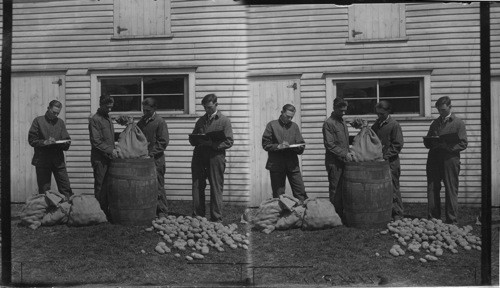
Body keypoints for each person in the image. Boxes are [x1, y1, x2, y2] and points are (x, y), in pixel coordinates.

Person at [189, 94, 234, 222]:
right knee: (197, 185)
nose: (207, 110)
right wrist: (195, 139)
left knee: (215, 187)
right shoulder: (201, 120)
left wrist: (212, 144)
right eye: (205, 108)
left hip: (215, 157)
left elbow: (229, 141)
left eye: (209, 107)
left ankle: (216, 218)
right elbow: (194, 137)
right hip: (199, 156)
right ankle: (198, 216)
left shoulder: (224, 120)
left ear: (216, 104)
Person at [424, 96, 467, 224]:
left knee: (451, 189)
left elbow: (463, 143)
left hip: (450, 160)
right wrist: (430, 141)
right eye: (439, 110)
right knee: (432, 188)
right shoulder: (435, 123)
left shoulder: (458, 123)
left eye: (443, 110)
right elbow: (429, 140)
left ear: (450, 107)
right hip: (434, 159)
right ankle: (433, 219)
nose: (440, 112)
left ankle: (451, 220)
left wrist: (448, 147)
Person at [262, 104, 308, 202]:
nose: (289, 119)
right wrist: (278, 146)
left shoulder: (294, 126)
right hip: (276, 164)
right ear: (282, 113)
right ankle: (281, 216)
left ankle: (302, 214)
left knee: (300, 192)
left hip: (292, 164)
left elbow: (301, 144)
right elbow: (265, 144)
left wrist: (297, 146)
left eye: (292, 117)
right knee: (279, 195)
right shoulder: (272, 125)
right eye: (287, 116)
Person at [28, 100, 73, 199]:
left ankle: (67, 211)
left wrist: (65, 142)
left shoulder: (60, 122)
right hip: (42, 161)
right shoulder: (38, 121)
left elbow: (66, 140)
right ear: (48, 108)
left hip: (58, 161)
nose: (56, 115)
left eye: (58, 113)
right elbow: (32, 140)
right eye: (54, 112)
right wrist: (45, 142)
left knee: (66, 188)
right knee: (44, 191)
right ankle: (45, 212)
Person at [371, 100, 404, 220]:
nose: (379, 116)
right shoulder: (377, 124)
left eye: (382, 114)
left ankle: (398, 214)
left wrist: (385, 156)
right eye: (377, 114)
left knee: (393, 187)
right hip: (380, 163)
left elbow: (398, 144)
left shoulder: (394, 125)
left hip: (391, 163)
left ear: (388, 112)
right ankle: (385, 213)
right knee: (382, 188)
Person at [137, 97, 170, 216]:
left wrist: (151, 154)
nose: (145, 113)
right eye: (144, 110)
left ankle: (162, 211)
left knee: (158, 185)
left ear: (154, 109)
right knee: (146, 185)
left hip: (156, 160)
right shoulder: (141, 122)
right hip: (144, 160)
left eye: (148, 111)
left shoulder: (160, 122)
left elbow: (163, 142)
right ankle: (149, 210)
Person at [322, 98, 352, 218]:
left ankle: (342, 213)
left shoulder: (342, 122)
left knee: (344, 187)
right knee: (335, 189)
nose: (344, 113)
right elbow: (330, 145)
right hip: (334, 163)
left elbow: (344, 141)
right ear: (334, 108)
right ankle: (335, 216)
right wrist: (345, 154)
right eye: (341, 111)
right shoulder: (329, 123)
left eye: (345, 111)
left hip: (344, 161)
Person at [89, 95, 117, 217]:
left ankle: (107, 210)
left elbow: (109, 137)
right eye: (107, 107)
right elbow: (96, 141)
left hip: (109, 157)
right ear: (101, 105)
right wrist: (111, 150)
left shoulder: (108, 118)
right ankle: (100, 213)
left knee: (109, 184)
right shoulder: (95, 119)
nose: (110, 110)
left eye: (111, 107)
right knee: (100, 185)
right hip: (99, 159)